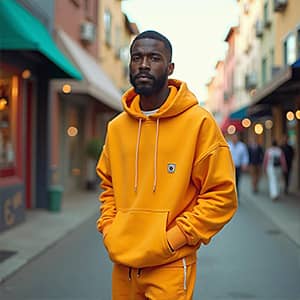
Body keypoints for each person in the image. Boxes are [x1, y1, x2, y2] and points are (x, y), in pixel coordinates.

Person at [96, 30, 237, 300]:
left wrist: (174, 239)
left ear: (170, 68)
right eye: (137, 57)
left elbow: (222, 195)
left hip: (170, 265)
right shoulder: (116, 128)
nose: (144, 64)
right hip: (122, 264)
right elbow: (108, 185)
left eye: (154, 58)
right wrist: (110, 230)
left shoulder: (198, 123)